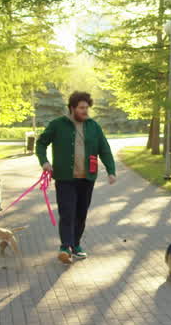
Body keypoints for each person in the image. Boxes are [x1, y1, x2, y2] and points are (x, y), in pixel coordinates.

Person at [36, 91, 116, 263]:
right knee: (67, 213)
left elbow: (104, 149)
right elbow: (41, 143)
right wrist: (44, 161)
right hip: (65, 178)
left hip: (87, 179)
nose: (85, 111)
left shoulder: (94, 126)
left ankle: (76, 245)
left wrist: (111, 170)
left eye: (87, 108)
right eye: (81, 108)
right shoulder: (57, 125)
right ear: (72, 108)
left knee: (81, 214)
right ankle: (65, 247)